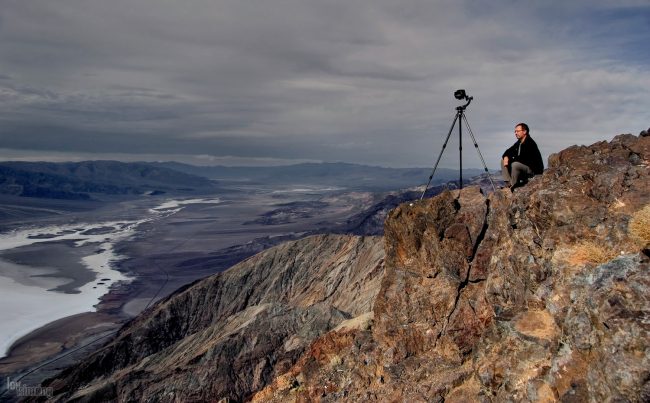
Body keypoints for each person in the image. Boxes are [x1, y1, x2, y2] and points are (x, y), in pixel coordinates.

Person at [501, 123, 544, 190]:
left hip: (533, 171)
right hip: (523, 167)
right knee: (503, 160)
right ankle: (508, 183)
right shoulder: (519, 142)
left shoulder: (530, 143)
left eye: (518, 131)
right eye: (515, 131)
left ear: (524, 132)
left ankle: (513, 185)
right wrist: (506, 157)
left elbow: (523, 159)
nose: (515, 133)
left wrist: (510, 160)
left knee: (515, 164)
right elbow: (508, 151)